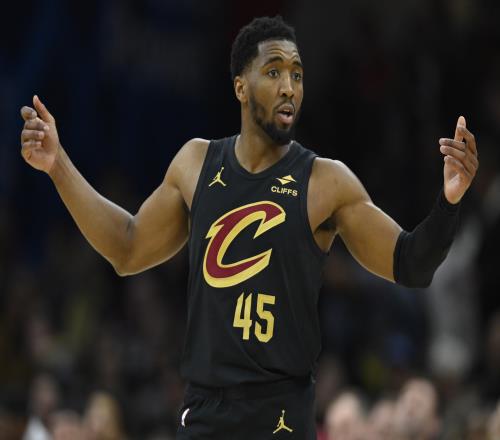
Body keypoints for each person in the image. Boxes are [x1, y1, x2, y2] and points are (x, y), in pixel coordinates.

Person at [19, 15, 478, 440]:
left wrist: (449, 201)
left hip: (280, 415)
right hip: (204, 412)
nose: (289, 87)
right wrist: (58, 165)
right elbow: (127, 248)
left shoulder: (326, 182)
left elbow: (411, 265)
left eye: (297, 75)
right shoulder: (196, 163)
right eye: (274, 72)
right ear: (241, 86)